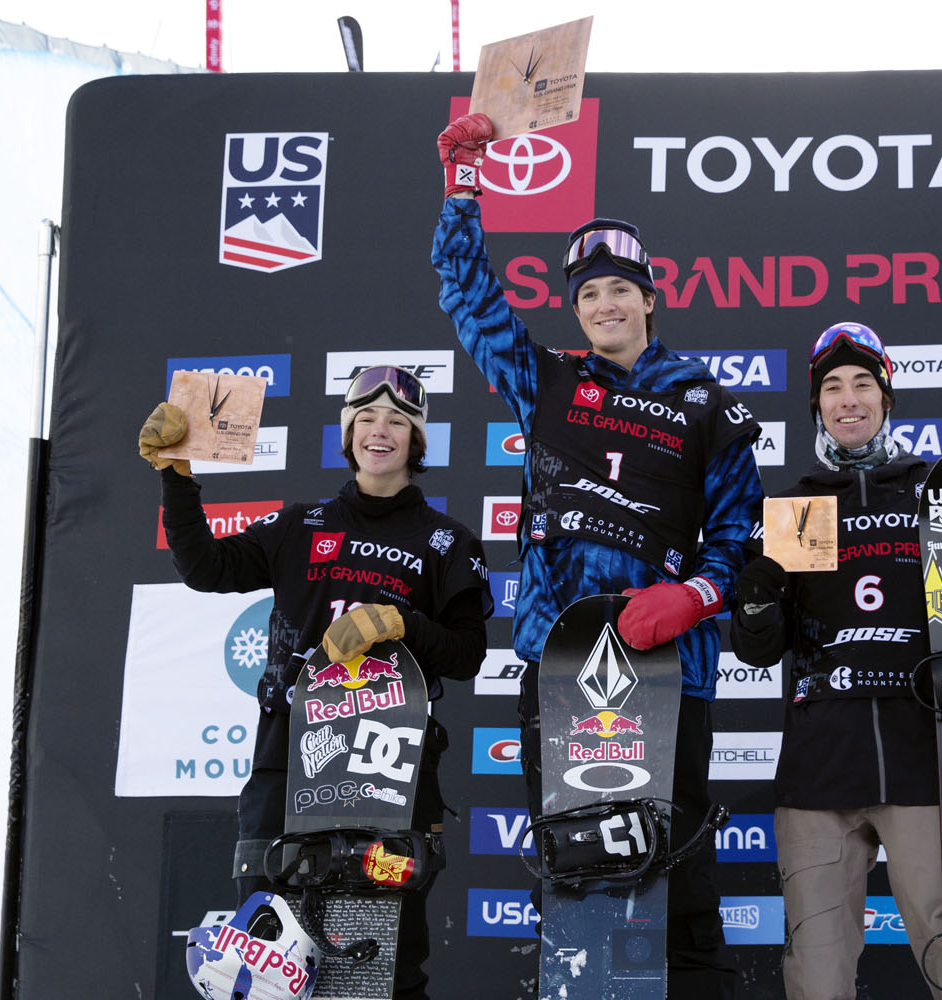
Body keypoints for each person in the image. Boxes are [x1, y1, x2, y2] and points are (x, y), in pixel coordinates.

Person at [431, 111, 762, 999]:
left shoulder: (706, 405)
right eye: (588, 295)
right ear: (574, 309)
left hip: (671, 668)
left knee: (682, 876)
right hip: (563, 662)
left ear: (650, 297)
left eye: (620, 289)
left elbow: (741, 541)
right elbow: (469, 299)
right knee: (575, 874)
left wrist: (694, 598)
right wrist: (465, 192)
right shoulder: (546, 384)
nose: (606, 305)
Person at [139, 365, 491, 1000]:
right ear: (347, 433)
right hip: (287, 759)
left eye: (397, 421)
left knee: (378, 965)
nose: (379, 431)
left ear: (417, 439)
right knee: (267, 958)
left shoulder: (448, 541)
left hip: (392, 768)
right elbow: (204, 567)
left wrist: (401, 623)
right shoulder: (302, 525)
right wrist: (177, 476)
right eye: (365, 419)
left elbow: (468, 653)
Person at [729, 321, 942, 1000]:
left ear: (886, 398)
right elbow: (759, 650)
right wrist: (757, 600)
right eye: (832, 388)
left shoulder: (933, 491)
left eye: (862, 385)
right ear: (816, 405)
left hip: (922, 762)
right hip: (819, 769)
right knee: (818, 977)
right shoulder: (798, 505)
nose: (848, 400)